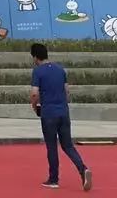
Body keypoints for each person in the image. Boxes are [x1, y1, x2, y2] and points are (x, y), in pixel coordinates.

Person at [30, 42, 92, 191]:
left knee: (52, 147)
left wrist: (35, 106)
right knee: (68, 145)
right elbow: (67, 91)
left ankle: (53, 179)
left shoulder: (38, 72)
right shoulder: (60, 70)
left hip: (49, 113)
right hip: (63, 112)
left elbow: (34, 93)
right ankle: (82, 169)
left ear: (35, 57)